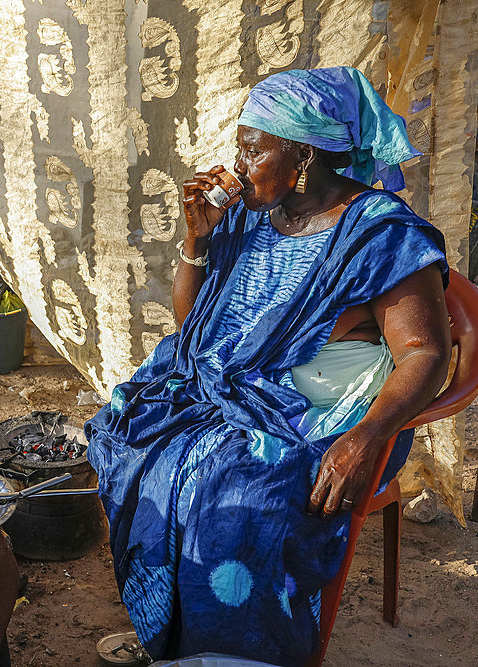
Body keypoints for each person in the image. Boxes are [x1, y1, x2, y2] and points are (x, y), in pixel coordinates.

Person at [86, 67, 451, 665]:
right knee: (130, 436)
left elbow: (425, 353)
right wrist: (196, 242)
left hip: (319, 409)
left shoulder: (381, 233)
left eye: (253, 150)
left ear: (303, 154)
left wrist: (367, 437)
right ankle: (174, 634)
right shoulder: (253, 214)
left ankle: (238, 652)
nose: (238, 163)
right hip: (226, 385)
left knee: (228, 493)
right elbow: (193, 324)